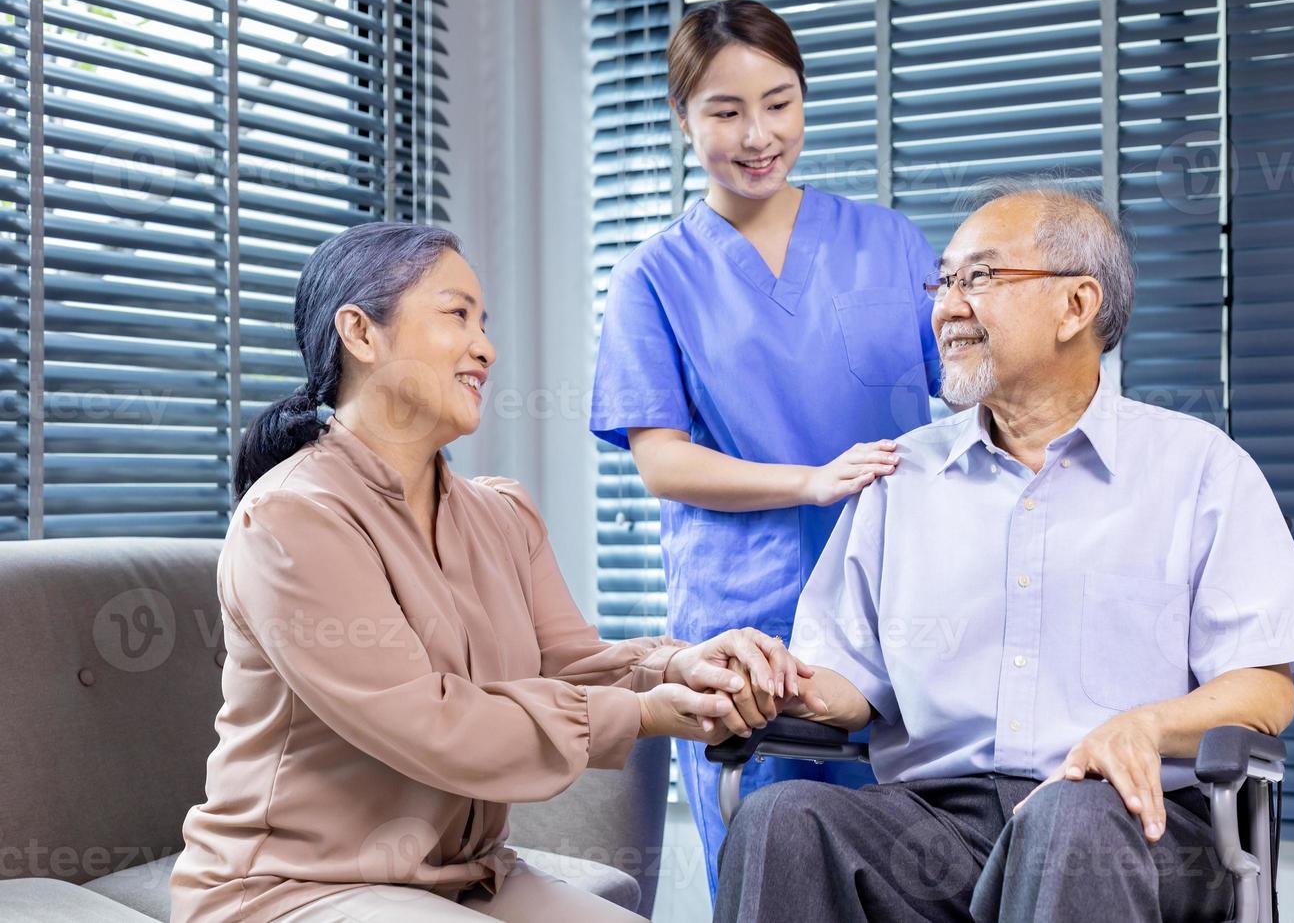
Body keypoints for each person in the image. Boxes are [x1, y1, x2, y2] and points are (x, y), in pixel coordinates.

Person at [714, 176, 1294, 923]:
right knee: (782, 818)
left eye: (979, 277)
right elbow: (848, 680)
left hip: (1135, 823)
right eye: (943, 281)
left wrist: (1143, 725)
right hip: (938, 825)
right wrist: (778, 684)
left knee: (1068, 824)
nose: (947, 305)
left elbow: (1265, 691)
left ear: (1076, 306)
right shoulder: (902, 475)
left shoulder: (1200, 467)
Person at [169, 222, 814, 922]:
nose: (486, 347)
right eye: (457, 315)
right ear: (360, 333)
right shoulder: (294, 520)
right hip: (294, 888)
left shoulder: (501, 515)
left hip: (466, 877)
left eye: (484, 322)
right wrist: (642, 713)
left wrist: (678, 667)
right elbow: (428, 722)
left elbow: (572, 664)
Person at [589, 0, 942, 895]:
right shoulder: (653, 276)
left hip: (906, 600)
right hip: (753, 615)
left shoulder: (890, 244)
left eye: (779, 103)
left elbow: (976, 389)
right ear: (682, 119)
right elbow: (662, 460)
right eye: (725, 110)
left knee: (921, 859)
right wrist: (811, 481)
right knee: (771, 867)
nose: (758, 135)